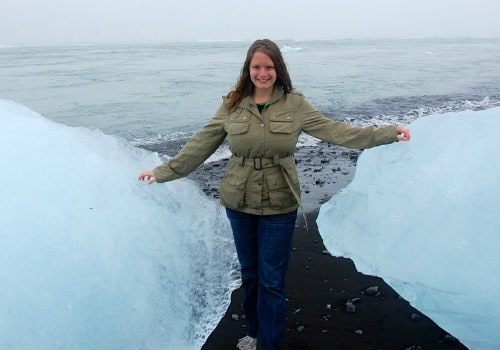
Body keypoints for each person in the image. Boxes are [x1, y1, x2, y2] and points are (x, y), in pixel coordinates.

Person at [138, 39, 411, 350]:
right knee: (251, 275)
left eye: (268, 67)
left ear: (278, 69)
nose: (263, 73)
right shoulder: (233, 102)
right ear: (248, 69)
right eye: (257, 66)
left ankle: (269, 343)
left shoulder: (295, 103)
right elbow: (203, 142)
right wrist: (162, 172)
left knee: (271, 281)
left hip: (279, 203)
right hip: (238, 202)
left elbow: (336, 131)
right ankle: (254, 332)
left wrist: (387, 133)